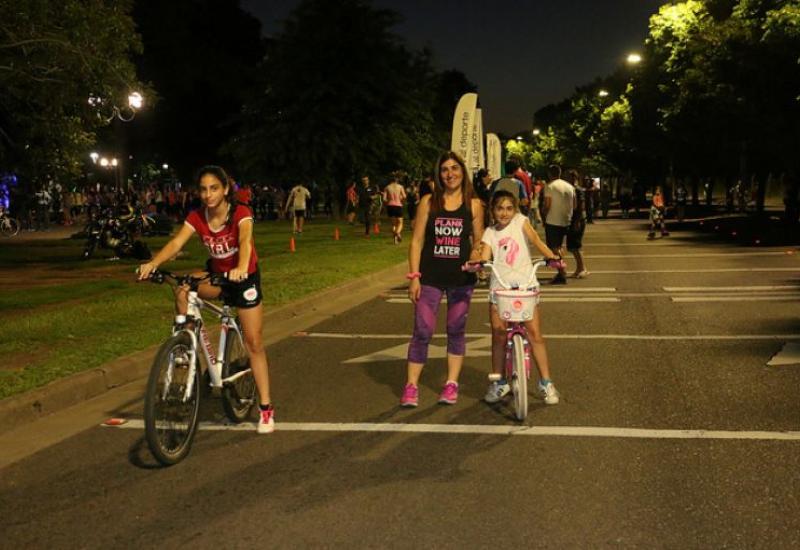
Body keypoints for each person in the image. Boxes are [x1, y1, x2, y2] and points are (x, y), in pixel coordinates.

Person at [137, 165, 275, 434]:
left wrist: (241, 268)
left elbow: (245, 241)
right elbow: (177, 243)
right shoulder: (197, 217)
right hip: (217, 275)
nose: (208, 194)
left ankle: (266, 409)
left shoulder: (240, 213)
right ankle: (185, 346)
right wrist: (153, 263)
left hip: (243, 279)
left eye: (214, 188)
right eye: (203, 189)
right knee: (182, 288)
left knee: (254, 343)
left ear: (225, 190)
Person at [400, 151, 485, 407]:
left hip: (461, 280)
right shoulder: (428, 201)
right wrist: (414, 277)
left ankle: (451, 384)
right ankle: (411, 386)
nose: (450, 174)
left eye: (455, 168)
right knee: (423, 330)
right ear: (439, 175)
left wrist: (475, 259)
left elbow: (478, 241)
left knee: (456, 330)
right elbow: (416, 242)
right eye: (445, 170)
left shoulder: (474, 204)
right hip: (430, 278)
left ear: (463, 172)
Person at [477, 190, 561, 405]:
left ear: (515, 210)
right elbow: (484, 255)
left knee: (534, 334)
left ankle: (546, 382)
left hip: (525, 285)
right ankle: (499, 382)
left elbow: (535, 240)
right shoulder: (490, 233)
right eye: (499, 208)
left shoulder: (521, 222)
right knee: (498, 335)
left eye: (509, 208)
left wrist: (552, 257)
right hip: (500, 288)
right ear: (493, 211)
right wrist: (477, 263)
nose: (504, 213)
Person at [542, 164, 574, 284]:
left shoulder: (550, 186)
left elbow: (547, 204)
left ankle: (562, 272)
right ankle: (561, 270)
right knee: (559, 246)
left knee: (553, 247)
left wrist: (544, 216)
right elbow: (574, 205)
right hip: (566, 220)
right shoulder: (570, 187)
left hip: (553, 220)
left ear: (550, 174)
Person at [566, 169, 589, 278]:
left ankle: (582, 268)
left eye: (569, 177)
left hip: (577, 219)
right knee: (572, 246)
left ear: (574, 178)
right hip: (574, 219)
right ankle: (579, 268)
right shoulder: (572, 189)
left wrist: (577, 221)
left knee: (575, 245)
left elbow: (581, 206)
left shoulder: (577, 190)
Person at [383, 176, 407, 244]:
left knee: (393, 224)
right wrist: (401, 198)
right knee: (400, 222)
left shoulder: (387, 187)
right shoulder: (400, 186)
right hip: (398, 205)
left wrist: (388, 201)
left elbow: (384, 199)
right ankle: (398, 233)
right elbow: (404, 196)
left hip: (390, 206)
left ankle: (395, 240)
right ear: (397, 180)